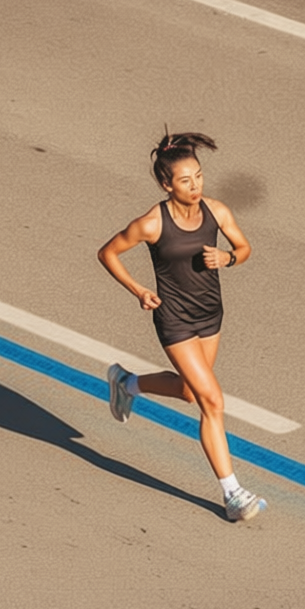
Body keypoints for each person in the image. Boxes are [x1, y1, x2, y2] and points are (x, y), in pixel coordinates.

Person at [97, 130, 266, 521]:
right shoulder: (152, 223)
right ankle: (233, 494)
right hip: (174, 320)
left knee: (191, 393)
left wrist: (227, 259)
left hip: (211, 314)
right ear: (166, 183)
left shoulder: (217, 211)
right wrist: (138, 289)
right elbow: (108, 253)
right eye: (185, 180)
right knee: (212, 401)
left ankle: (127, 384)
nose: (195, 186)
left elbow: (244, 249)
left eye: (199, 177)